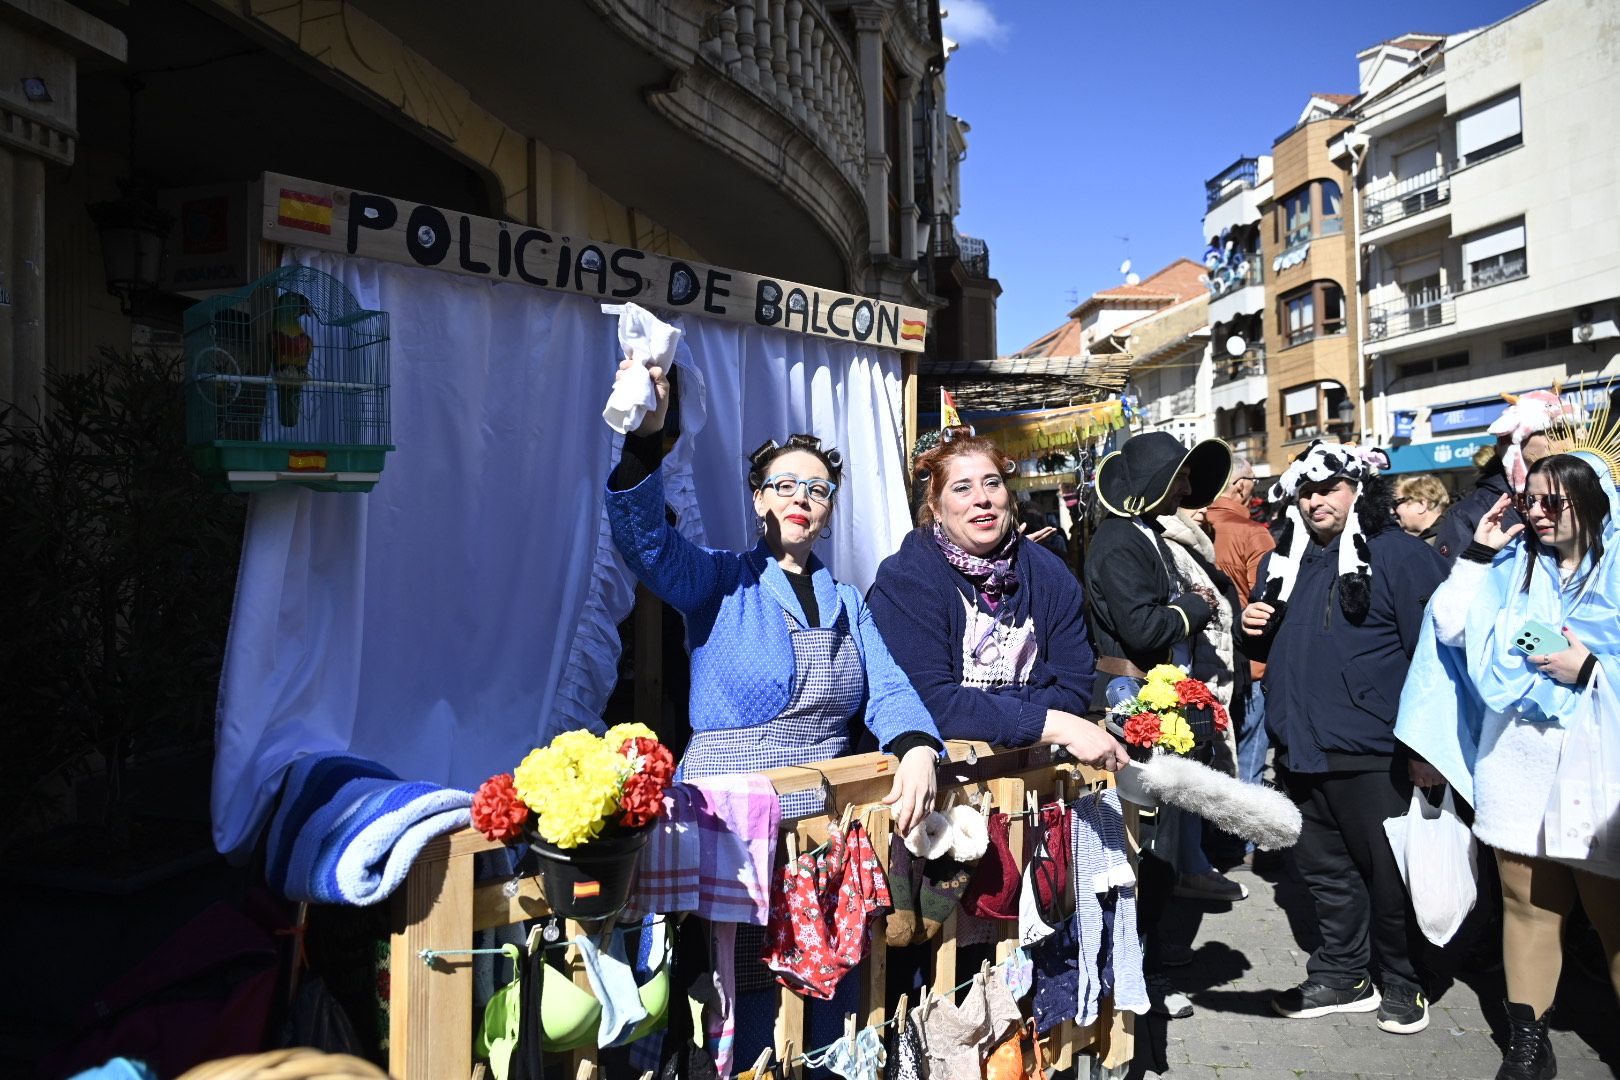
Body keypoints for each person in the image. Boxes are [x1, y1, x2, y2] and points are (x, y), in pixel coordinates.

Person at [604, 359, 941, 832]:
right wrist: (645, 440)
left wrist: (918, 746)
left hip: (824, 820)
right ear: (760, 500)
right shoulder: (719, 579)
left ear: (827, 511)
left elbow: (888, 690)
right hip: (723, 816)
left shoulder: (849, 603)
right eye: (785, 486)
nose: (801, 499)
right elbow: (646, 545)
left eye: (817, 490)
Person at [1398, 448, 1620, 1080]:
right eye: (1532, 500)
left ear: (1594, 501)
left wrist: (1595, 669)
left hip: (1600, 769)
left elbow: (1576, 653)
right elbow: (1450, 625)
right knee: (1527, 907)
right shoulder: (1513, 565)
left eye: (1555, 500)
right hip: (1518, 763)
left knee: (1613, 917)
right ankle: (1529, 1045)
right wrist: (1479, 552)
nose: (1539, 513)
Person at [1241, 440, 1447, 1036]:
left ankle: (1405, 981)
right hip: (1302, 748)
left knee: (1389, 874)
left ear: (1357, 488)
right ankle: (1342, 974)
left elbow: (1435, 659)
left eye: (1328, 487)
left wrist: (1426, 749)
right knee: (1326, 874)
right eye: (1305, 490)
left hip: (1376, 750)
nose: (1315, 500)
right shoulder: (1282, 560)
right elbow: (1278, 647)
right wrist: (1254, 629)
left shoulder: (1401, 556)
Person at [865, 428, 1127, 772]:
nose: (982, 498)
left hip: (1034, 775)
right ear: (936, 508)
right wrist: (1053, 722)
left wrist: (981, 708)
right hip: (938, 777)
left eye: (992, 483)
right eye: (962, 488)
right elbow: (930, 703)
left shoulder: (1050, 574)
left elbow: (1075, 690)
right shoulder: (907, 578)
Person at [1204, 456, 1276, 801]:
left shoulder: (1194, 526)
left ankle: (1214, 835)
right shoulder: (1252, 533)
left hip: (1204, 660)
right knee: (1248, 755)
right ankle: (1240, 838)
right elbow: (1270, 603)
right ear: (1240, 485)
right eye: (1252, 481)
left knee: (1212, 754)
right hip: (1251, 662)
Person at [1435, 390, 1565, 561]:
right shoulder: (1468, 514)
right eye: (1557, 432)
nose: (1573, 439)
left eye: (1576, 429)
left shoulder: (1591, 492)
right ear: (1515, 442)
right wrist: (1480, 554)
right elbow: (1451, 582)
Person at [1393, 474, 1449, 544]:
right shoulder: (1451, 531)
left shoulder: (1447, 541)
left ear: (1421, 505)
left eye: (1396, 503)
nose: (1392, 511)